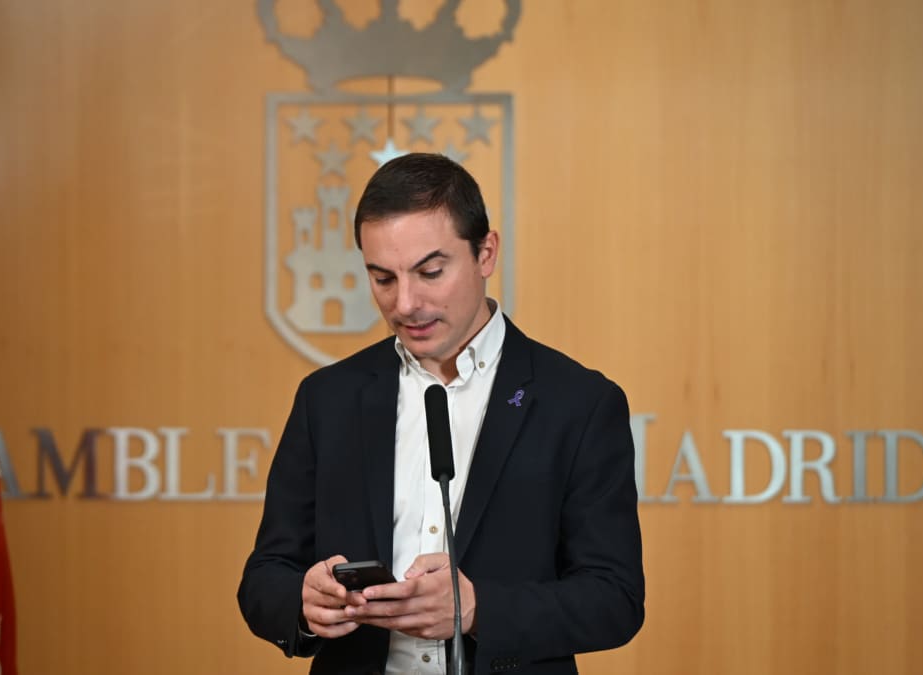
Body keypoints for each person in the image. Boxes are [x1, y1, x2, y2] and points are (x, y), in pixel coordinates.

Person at [238, 153, 644, 674]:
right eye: (383, 278)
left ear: (486, 253)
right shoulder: (327, 398)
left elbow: (614, 600)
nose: (405, 303)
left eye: (430, 272)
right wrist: (302, 602)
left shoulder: (580, 404)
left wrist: (477, 610)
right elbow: (265, 577)